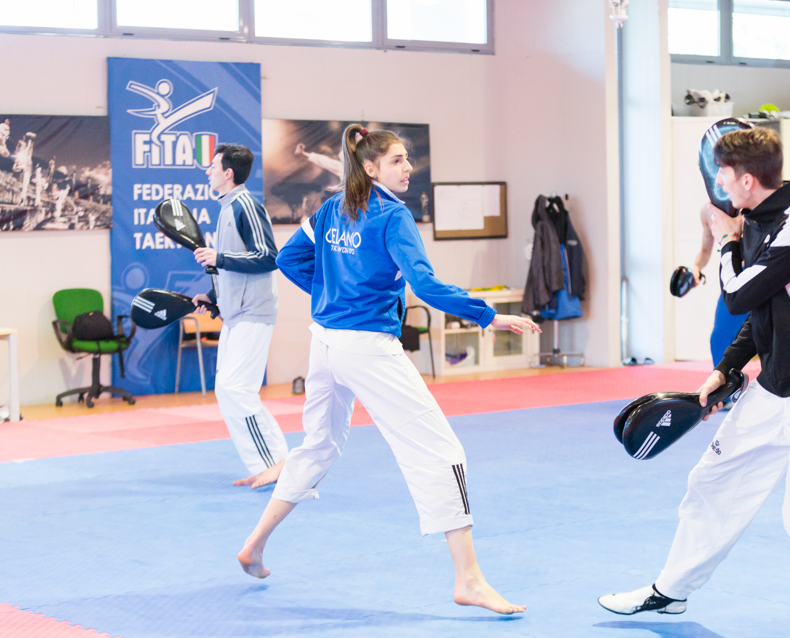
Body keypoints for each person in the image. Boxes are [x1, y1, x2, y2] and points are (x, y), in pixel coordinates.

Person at [599, 128, 790, 638]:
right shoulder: (760, 222)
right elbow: (760, 310)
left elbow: (738, 294)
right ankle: (671, 591)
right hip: (775, 387)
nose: (717, 180)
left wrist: (725, 239)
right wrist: (726, 367)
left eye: (722, 173)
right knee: (713, 481)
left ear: (745, 180)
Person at [237, 125, 539, 615]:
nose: (408, 168)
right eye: (398, 161)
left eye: (407, 160)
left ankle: (254, 546)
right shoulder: (393, 217)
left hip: (326, 345)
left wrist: (328, 296)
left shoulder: (333, 208)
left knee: (318, 446)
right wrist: (490, 314)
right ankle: (469, 579)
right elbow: (425, 283)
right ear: (372, 167)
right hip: (368, 349)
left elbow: (289, 258)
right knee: (441, 451)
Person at [191, 143, 288, 489]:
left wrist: (219, 258)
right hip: (235, 314)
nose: (209, 171)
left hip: (254, 313)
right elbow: (235, 265)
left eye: (213, 166)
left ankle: (275, 463)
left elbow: (267, 256)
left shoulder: (246, 205)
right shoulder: (227, 207)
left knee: (237, 388)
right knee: (226, 389)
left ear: (228, 173)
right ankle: (269, 463)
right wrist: (214, 299)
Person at [688, 202, 749, 367]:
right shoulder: (707, 212)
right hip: (733, 281)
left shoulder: (749, 202)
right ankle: (723, 390)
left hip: (758, 275)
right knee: (719, 340)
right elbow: (706, 251)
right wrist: (696, 268)